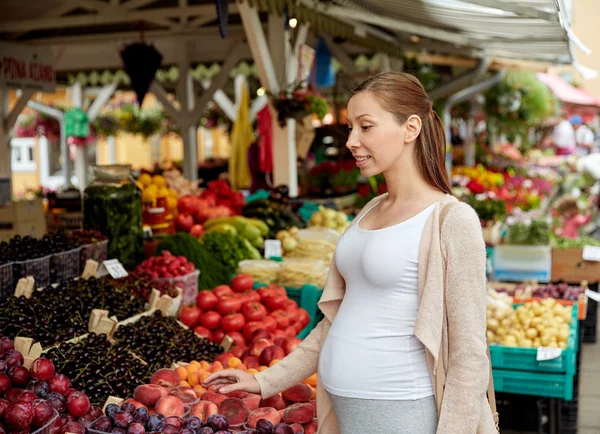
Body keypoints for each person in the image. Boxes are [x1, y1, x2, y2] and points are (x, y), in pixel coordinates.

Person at [203, 72, 498, 434]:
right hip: (343, 408)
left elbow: (469, 354)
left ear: (411, 128)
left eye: (366, 127)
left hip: (401, 410)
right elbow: (336, 321)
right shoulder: (370, 209)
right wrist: (265, 381)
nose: (351, 141)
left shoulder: (452, 220)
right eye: (350, 128)